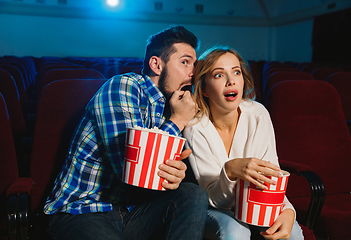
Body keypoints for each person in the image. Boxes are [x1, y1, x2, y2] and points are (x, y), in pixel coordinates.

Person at [44, 25, 209, 240]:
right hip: (84, 210)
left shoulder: (173, 105)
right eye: (185, 62)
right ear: (156, 64)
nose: (193, 72)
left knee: (192, 194)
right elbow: (133, 170)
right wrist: (177, 121)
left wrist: (175, 176)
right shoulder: (123, 86)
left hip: (131, 212)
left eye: (195, 64)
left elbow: (162, 177)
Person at [183, 46, 304, 240]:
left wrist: (289, 210)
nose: (231, 81)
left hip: (255, 202)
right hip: (214, 208)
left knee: (293, 233)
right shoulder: (194, 127)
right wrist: (230, 171)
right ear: (204, 88)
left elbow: (271, 177)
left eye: (236, 72)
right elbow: (215, 200)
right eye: (219, 75)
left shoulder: (258, 114)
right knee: (235, 232)